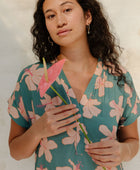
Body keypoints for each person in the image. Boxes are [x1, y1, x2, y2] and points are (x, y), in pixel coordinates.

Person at [8, 0, 140, 169]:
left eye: (67, 9)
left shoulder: (118, 77)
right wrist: (38, 130)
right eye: (51, 15)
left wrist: (123, 151)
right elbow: (15, 151)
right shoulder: (31, 78)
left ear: (87, 16)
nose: (60, 21)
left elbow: (133, 141)